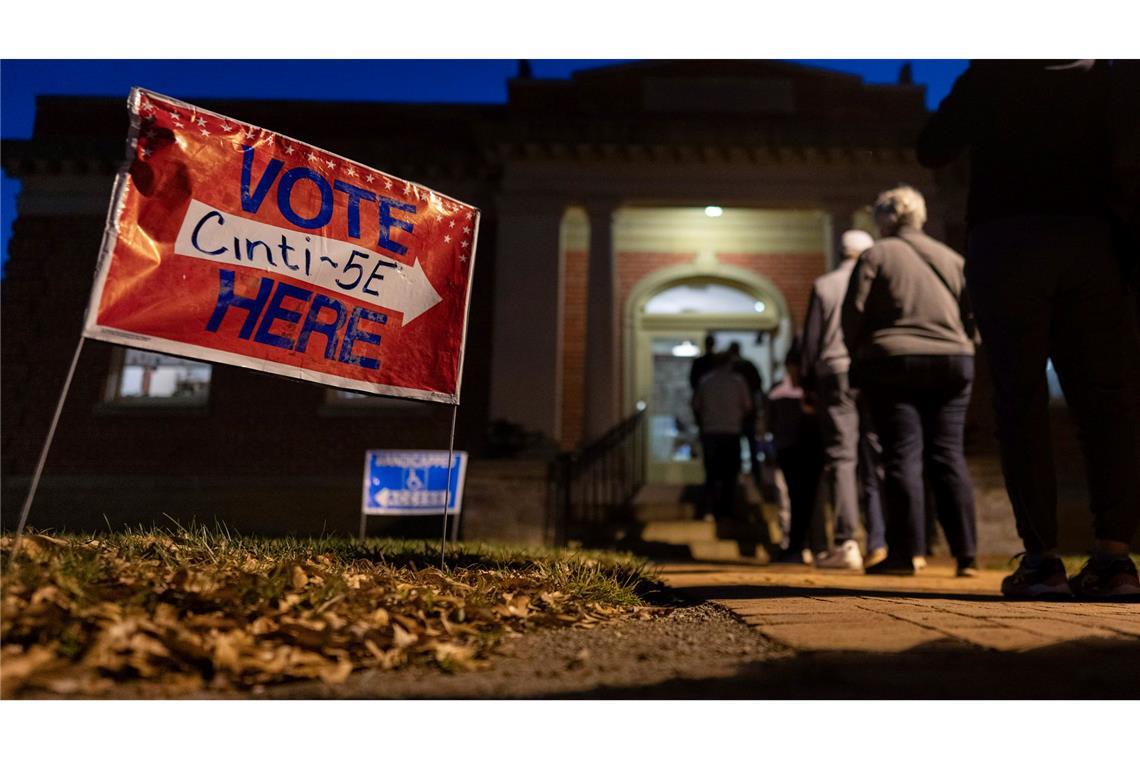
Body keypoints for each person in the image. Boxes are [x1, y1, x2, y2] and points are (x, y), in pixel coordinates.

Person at [917, 61, 1140, 597]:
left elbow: (934, 147)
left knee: (1020, 399)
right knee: (1105, 401)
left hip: (1009, 238)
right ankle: (1114, 560)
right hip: (1094, 243)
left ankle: (1042, 561)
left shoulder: (997, 70)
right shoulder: (1111, 74)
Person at [841, 185, 979, 577]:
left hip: (893, 361)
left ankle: (904, 555)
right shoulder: (951, 258)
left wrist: (857, 353)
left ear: (884, 219)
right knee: (948, 454)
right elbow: (972, 312)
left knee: (902, 454)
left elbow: (854, 313)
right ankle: (966, 555)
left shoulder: (876, 255)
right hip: (954, 360)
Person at [802, 229, 886, 570]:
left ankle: (846, 540)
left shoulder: (825, 285)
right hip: (873, 370)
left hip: (834, 372)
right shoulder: (880, 282)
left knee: (842, 457)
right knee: (876, 457)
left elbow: (811, 339)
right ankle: (880, 540)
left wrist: (808, 383)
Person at [767, 344, 824, 563]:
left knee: (809, 498)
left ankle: (809, 545)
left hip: (806, 449)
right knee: (798, 497)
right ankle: (799, 545)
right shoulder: (779, 392)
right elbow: (770, 422)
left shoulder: (811, 392)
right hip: (790, 449)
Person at [692, 352, 753, 522]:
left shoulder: (706, 381)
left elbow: (697, 404)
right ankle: (726, 511)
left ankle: (711, 510)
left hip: (711, 431)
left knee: (712, 474)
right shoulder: (738, 381)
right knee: (729, 475)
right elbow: (747, 405)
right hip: (731, 431)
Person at [727, 341, 764, 485]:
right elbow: (758, 389)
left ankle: (738, 477)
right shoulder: (747, 366)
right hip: (747, 413)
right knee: (751, 446)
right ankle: (756, 477)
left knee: (736, 447)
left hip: (736, 414)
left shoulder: (732, 369)